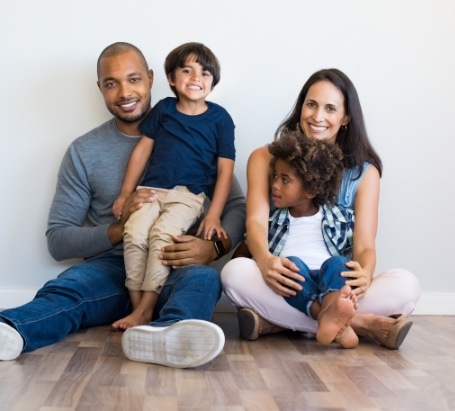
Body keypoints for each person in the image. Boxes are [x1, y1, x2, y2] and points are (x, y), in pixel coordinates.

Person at [0, 42, 246, 368]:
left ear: (152, 78)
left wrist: (211, 248)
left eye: (133, 79)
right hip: (111, 269)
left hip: (175, 262)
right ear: (100, 88)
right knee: (69, 288)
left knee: (203, 280)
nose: (124, 92)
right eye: (111, 83)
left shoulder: (197, 130)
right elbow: (58, 241)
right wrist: (122, 228)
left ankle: (167, 334)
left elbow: (236, 205)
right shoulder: (84, 151)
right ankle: (12, 329)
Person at [222, 68, 420, 349]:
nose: (317, 117)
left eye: (330, 108)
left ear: (346, 117)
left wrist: (365, 274)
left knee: (406, 285)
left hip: (337, 283)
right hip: (285, 278)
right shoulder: (265, 158)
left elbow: (365, 246)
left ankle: (278, 322)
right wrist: (265, 262)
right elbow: (255, 222)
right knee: (235, 273)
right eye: (311, 104)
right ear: (301, 106)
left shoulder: (365, 173)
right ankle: (363, 324)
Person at [111, 42, 235, 330]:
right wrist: (126, 193)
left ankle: (146, 309)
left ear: (213, 83)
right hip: (151, 190)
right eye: (187, 71)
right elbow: (142, 151)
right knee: (135, 232)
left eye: (205, 73)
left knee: (161, 235)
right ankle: (137, 307)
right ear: (170, 79)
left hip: (187, 196)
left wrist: (214, 214)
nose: (196, 78)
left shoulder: (220, 119)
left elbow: (225, 171)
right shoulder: (164, 109)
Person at [266, 131, 359, 348]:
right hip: (297, 282)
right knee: (293, 265)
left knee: (337, 263)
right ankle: (332, 321)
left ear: (311, 189)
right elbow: (251, 251)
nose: (275, 185)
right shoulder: (272, 221)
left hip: (329, 281)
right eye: (275, 177)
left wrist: (360, 276)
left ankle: (331, 308)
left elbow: (355, 253)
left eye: (285, 180)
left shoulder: (339, 217)